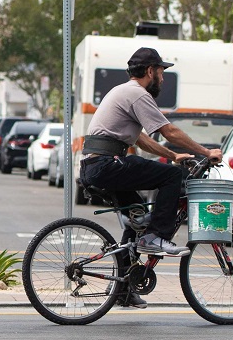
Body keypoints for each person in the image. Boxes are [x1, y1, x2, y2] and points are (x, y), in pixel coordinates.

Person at [77, 47, 222, 261]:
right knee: (171, 176)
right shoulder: (137, 94)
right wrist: (206, 152)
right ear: (150, 71)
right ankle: (156, 237)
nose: (163, 79)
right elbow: (169, 130)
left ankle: (123, 290)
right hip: (106, 164)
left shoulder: (124, 91)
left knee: (138, 218)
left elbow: (141, 139)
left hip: (96, 165)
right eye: (161, 72)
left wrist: (173, 156)